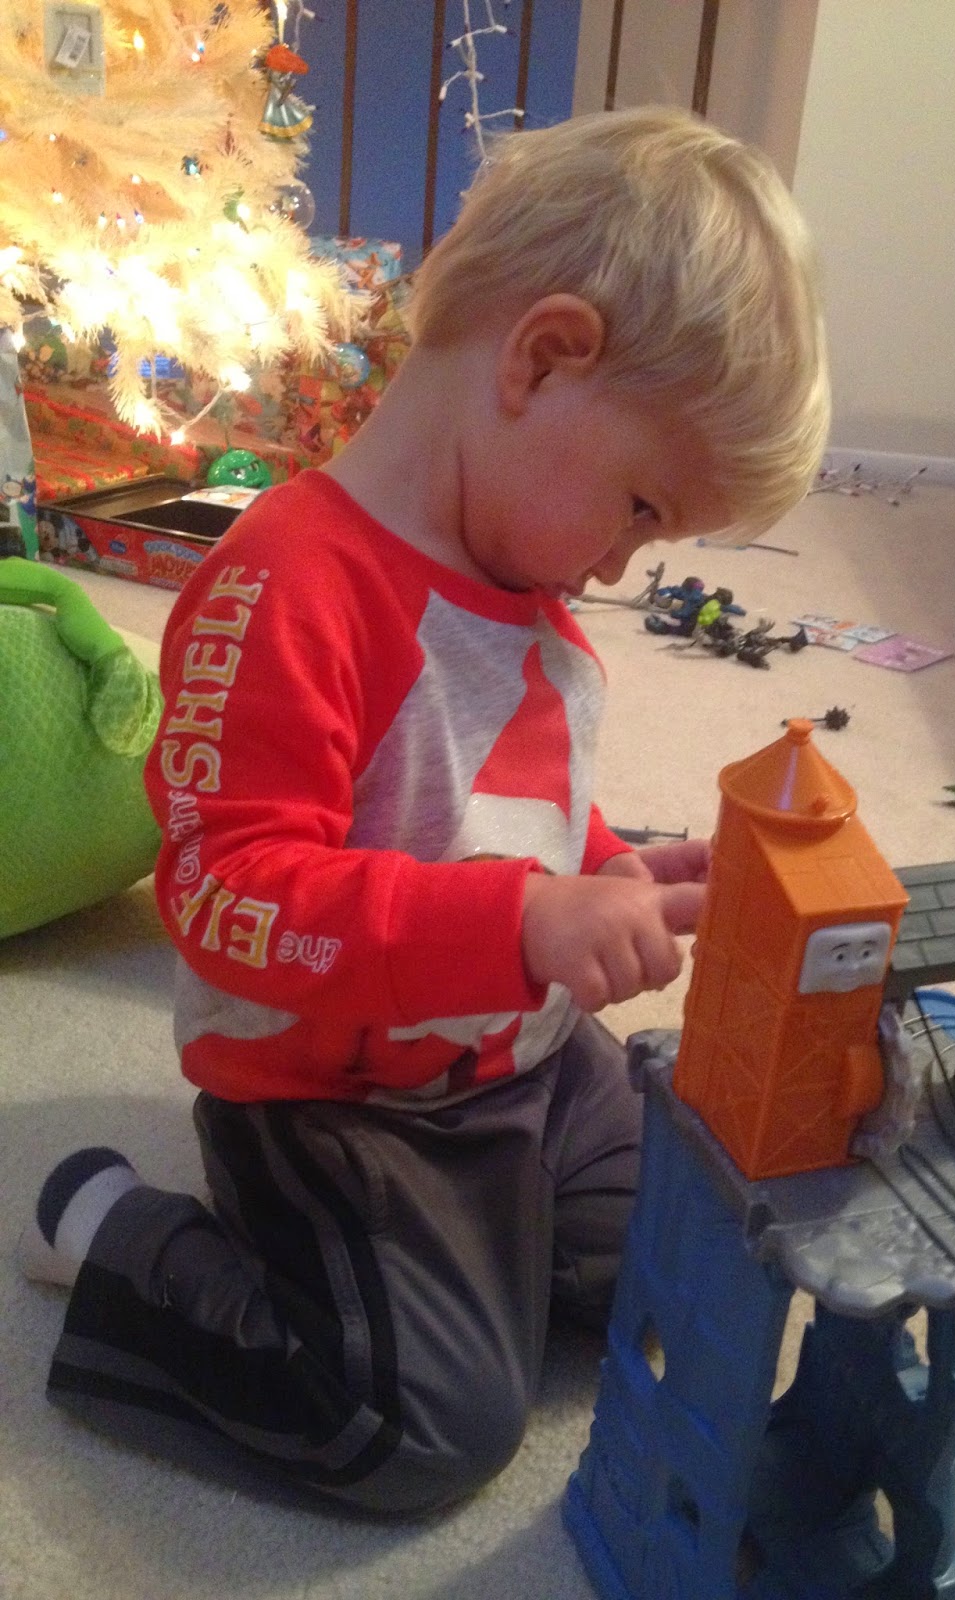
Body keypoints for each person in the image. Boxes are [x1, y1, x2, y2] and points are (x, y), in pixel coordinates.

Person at [21, 106, 830, 1514]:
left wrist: (610, 875)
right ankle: (122, 1233)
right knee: (421, 1425)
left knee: (697, 1254)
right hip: (342, 1099)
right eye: (641, 508)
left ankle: (482, 1244)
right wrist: (520, 926)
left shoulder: (524, 589)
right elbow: (225, 898)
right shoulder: (285, 584)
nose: (621, 566)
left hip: (530, 1064)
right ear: (543, 357)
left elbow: (512, 814)